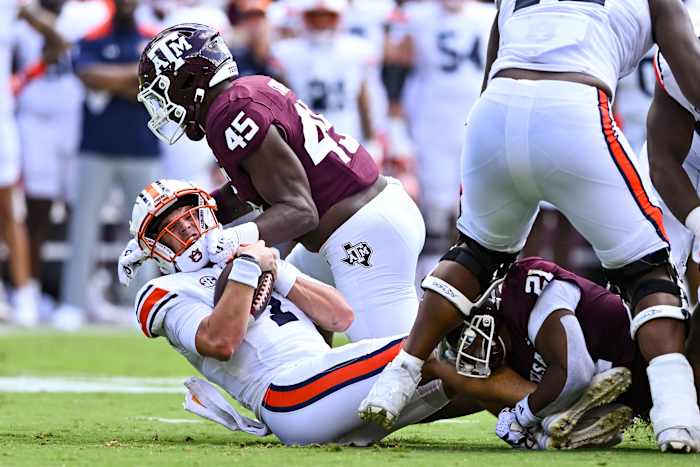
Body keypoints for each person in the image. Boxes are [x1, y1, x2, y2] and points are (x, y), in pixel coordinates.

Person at [359, 0, 700, 453]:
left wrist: (481, 141)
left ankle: (397, 377)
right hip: (575, 105)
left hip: (495, 109)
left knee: (473, 254)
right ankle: (676, 416)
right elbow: (685, 67)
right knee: (647, 271)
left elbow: (494, 60)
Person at [124, 178, 540, 446]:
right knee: (425, 350)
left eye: (190, 216)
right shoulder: (160, 290)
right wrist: (248, 268)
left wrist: (276, 270)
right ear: (153, 250)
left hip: (325, 382)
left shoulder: (252, 254)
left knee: (466, 353)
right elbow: (220, 341)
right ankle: (541, 415)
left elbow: (341, 317)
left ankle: (554, 402)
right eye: (171, 229)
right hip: (288, 395)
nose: (189, 231)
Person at [130, 23, 425, 341]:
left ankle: (478, 387)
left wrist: (230, 242)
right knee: (286, 323)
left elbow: (300, 211)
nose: (161, 106)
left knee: (397, 368)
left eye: (162, 91)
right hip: (354, 224)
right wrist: (168, 225)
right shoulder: (247, 90)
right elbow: (261, 186)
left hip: (362, 233)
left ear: (188, 80)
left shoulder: (230, 113)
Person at [447, 257, 659, 450]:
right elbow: (467, 395)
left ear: (487, 304)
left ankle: (562, 419)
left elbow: (575, 372)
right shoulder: (508, 357)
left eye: (468, 333)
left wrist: (520, 418)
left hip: (651, 353)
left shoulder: (522, 286)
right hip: (638, 396)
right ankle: (568, 422)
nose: (472, 347)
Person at [53, 0, 161, 329]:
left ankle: (143, 302)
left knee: (148, 231)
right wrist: (134, 76)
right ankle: (73, 303)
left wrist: (116, 80)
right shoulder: (94, 36)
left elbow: (155, 84)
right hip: (96, 147)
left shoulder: (152, 37)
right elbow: (87, 74)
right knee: (83, 224)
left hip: (142, 148)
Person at [1, 1, 70, 326]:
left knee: (10, 209)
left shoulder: (13, 9)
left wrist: (24, 77)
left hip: (6, 121)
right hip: (18, 120)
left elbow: (58, 42)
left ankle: (24, 293)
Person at [643, 29, 700, 402]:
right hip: (686, 161)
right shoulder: (689, 55)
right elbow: (663, 162)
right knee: (652, 271)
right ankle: (662, 396)